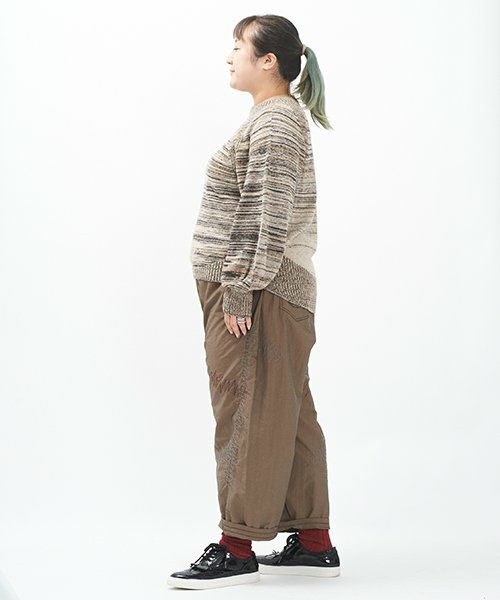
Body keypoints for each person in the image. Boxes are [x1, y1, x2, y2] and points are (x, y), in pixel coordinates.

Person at [167, 14, 340, 590]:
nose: (229, 56)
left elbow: (266, 215)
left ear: (269, 61)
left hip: (259, 292)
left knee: (246, 409)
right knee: (287, 411)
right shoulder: (272, 119)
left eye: (238, 46)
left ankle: (236, 547)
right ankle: (314, 542)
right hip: (269, 290)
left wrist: (240, 286)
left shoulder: (275, 124)